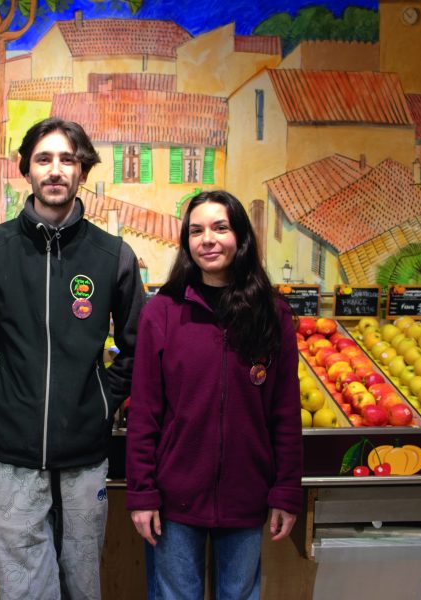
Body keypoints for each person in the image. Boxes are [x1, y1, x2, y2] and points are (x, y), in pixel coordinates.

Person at [0, 117, 145, 600]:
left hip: (86, 455)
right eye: (44, 159)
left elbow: (137, 343)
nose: (56, 170)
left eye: (67, 159)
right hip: (13, 455)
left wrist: (105, 397)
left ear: (83, 170)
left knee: (83, 584)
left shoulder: (113, 256)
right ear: (27, 170)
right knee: (23, 589)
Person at [126, 191, 303, 600]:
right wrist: (142, 493)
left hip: (247, 494)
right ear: (186, 242)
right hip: (175, 499)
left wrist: (286, 491)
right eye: (196, 230)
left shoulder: (272, 314)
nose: (208, 239)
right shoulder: (163, 311)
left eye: (220, 228)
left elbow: (284, 413)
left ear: (240, 236)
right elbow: (145, 414)